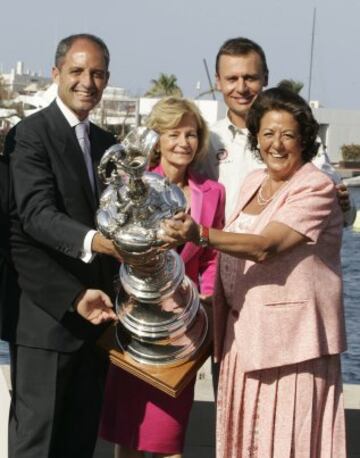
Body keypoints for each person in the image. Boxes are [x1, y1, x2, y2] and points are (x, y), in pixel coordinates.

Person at [161, 88, 347, 457]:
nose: (276, 144)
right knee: (244, 442)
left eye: (288, 134)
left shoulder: (316, 186)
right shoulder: (251, 182)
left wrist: (200, 234)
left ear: (305, 140)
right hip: (240, 341)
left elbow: (266, 246)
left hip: (292, 348)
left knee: (284, 445)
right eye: (267, 133)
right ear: (256, 137)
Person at [6, 33, 122, 458]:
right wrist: (99, 242)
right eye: (76, 71)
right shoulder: (29, 136)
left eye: (96, 73)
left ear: (107, 79)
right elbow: (35, 216)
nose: (86, 82)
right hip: (45, 322)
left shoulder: (110, 145)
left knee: (78, 446)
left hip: (97, 326)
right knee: (36, 448)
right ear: (56, 74)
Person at [99, 96, 225, 458]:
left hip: (180, 329)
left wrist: (207, 296)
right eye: (174, 134)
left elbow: (212, 258)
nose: (183, 142)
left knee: (170, 439)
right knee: (130, 437)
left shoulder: (212, 193)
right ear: (157, 139)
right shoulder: (131, 189)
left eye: (191, 134)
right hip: (135, 324)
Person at [200, 36, 356, 224]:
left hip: (285, 247)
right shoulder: (206, 142)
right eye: (232, 79)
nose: (241, 88)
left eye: (250, 78)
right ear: (218, 81)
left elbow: (343, 210)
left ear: (265, 78)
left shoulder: (300, 138)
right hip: (223, 249)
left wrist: (344, 203)